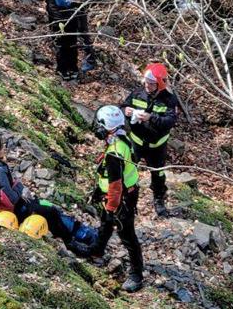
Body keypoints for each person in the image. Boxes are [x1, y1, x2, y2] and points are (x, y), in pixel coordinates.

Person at [0, 133, 94, 255]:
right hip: (13, 209)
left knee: (46, 205)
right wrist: (19, 188)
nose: (4, 149)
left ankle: (79, 233)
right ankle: (77, 239)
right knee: (51, 210)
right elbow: (10, 199)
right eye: (1, 148)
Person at [88, 105, 143, 293]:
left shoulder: (114, 152)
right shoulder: (121, 139)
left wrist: (112, 205)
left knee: (126, 234)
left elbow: (115, 184)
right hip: (123, 194)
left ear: (106, 127)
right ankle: (97, 250)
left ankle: (137, 274)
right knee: (105, 222)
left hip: (122, 197)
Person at [121, 63, 178, 217]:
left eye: (151, 84)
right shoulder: (137, 93)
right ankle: (124, 197)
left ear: (160, 84)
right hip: (136, 143)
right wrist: (125, 111)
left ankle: (159, 200)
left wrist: (150, 117)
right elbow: (124, 106)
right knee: (127, 169)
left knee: (158, 174)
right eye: (146, 82)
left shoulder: (169, 100)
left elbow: (170, 122)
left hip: (157, 147)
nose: (147, 86)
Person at [46, 0, 97, 81]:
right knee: (64, 43)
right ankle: (63, 69)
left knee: (70, 43)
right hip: (63, 16)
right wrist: (59, 19)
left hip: (69, 15)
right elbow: (51, 1)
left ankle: (71, 68)